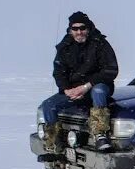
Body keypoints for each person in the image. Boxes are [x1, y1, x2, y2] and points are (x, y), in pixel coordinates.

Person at [40, 11, 119, 153]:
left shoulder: (99, 43)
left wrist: (86, 86)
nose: (79, 32)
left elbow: (111, 70)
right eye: (75, 29)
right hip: (73, 91)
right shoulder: (65, 47)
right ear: (70, 30)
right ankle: (54, 145)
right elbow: (58, 71)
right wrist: (66, 90)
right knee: (48, 106)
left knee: (99, 90)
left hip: (96, 87)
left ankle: (100, 135)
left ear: (88, 28)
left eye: (82, 28)